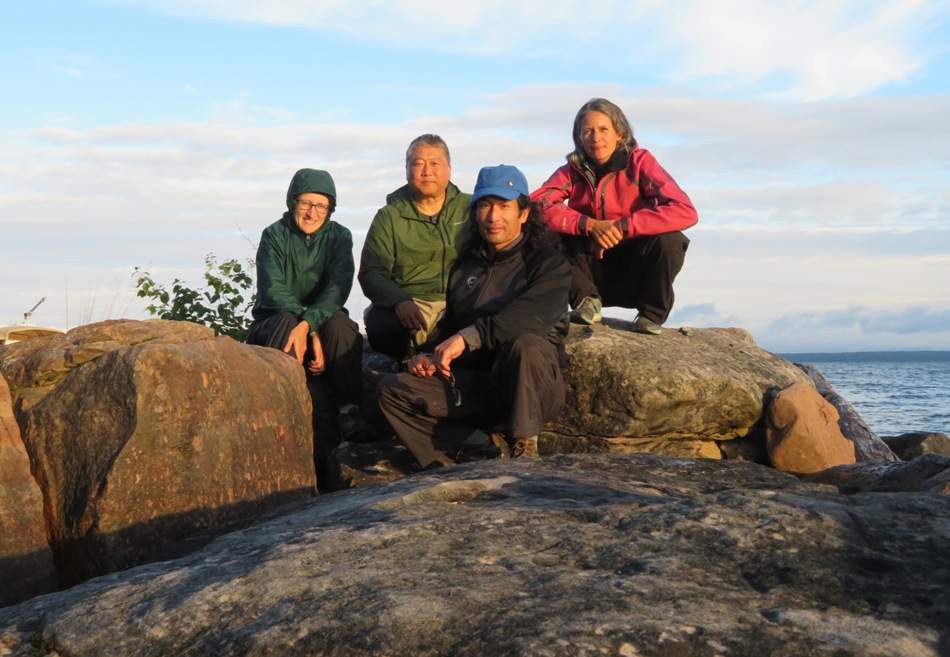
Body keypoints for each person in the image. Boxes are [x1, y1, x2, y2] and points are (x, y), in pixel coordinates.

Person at [377, 165, 570, 469]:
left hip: (530, 384)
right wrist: (429, 356)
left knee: (526, 344)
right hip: (480, 386)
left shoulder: (548, 264)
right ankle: (473, 449)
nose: (493, 217)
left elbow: (528, 318)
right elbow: (451, 327)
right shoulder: (465, 268)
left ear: (523, 213)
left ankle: (524, 447)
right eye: (484, 206)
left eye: (504, 206)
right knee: (392, 389)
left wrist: (469, 338)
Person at [532, 98, 698, 334]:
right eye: (587, 131)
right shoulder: (573, 169)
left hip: (636, 272)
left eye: (603, 129)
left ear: (619, 134)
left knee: (670, 239)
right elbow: (536, 205)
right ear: (579, 138)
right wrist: (589, 225)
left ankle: (651, 315)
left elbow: (684, 210)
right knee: (545, 234)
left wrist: (621, 227)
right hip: (590, 274)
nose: (595, 137)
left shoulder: (640, 163)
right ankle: (586, 303)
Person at [246, 168, 371, 444]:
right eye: (306, 203)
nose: (312, 212)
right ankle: (280, 414)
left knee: (342, 325)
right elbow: (273, 290)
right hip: (274, 323)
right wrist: (309, 330)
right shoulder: (273, 235)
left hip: (321, 320)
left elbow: (337, 290)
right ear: (292, 202)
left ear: (330, 209)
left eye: (322, 206)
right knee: (287, 322)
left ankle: (349, 412)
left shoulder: (340, 237)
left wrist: (310, 324)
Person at [359, 134, 475, 362]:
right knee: (380, 324)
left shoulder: (470, 209)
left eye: (434, 163)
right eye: (418, 164)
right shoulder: (390, 216)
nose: (427, 171)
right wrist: (399, 300)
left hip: (457, 303)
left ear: (449, 170)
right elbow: (371, 271)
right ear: (407, 170)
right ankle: (405, 361)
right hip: (409, 303)